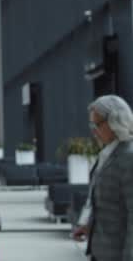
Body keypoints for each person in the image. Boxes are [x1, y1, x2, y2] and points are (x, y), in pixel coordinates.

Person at [72, 95, 133, 261]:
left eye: (98, 124)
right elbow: (106, 203)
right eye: (92, 124)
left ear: (116, 121)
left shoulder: (129, 157)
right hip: (99, 252)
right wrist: (88, 226)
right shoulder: (107, 153)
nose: (94, 130)